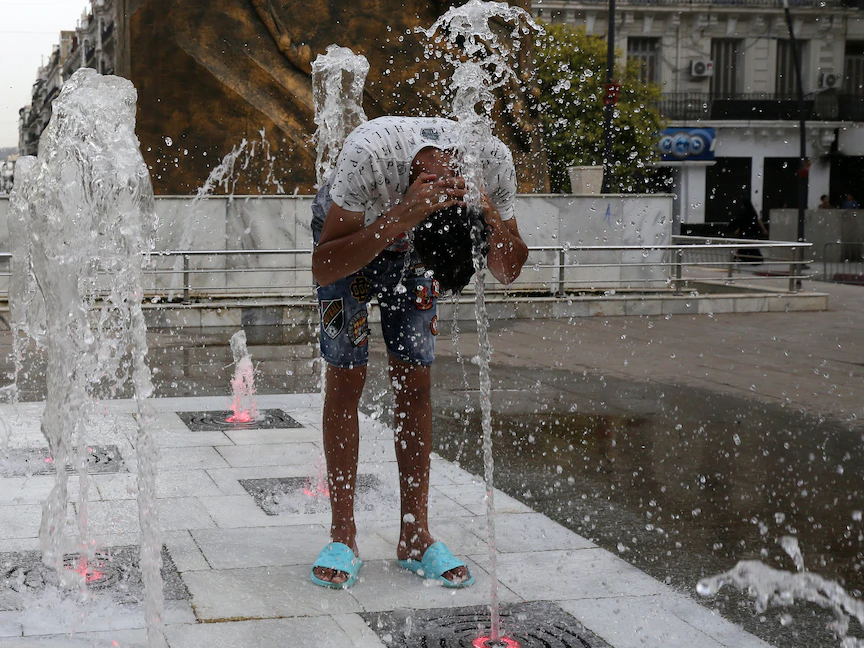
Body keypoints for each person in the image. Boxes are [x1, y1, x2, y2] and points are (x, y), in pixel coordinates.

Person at [309, 116, 528, 589]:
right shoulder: (367, 155)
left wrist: (489, 212)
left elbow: (508, 270)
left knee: (416, 383)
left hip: (423, 226)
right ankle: (343, 534)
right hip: (353, 233)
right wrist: (400, 219)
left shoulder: (493, 164)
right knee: (347, 376)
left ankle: (415, 534)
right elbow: (324, 266)